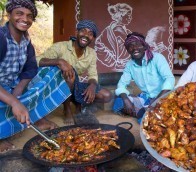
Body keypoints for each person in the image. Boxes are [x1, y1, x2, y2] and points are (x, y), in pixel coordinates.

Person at [0, 0, 71, 153]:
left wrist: (18, 92)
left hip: (12, 84)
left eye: (29, 16)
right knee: (11, 105)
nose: (25, 19)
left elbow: (30, 69)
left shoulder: (26, 42)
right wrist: (14, 102)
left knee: (53, 72)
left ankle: (37, 118)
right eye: (19, 13)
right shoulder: (1, 38)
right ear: (9, 14)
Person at [37, 20, 112, 125]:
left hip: (75, 85)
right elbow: (38, 60)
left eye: (90, 34)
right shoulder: (61, 47)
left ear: (93, 38)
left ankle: (80, 106)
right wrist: (60, 61)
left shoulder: (91, 53)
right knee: (70, 75)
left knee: (106, 95)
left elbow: (93, 75)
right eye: (83, 31)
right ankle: (67, 109)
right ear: (77, 32)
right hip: (58, 86)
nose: (86, 35)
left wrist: (92, 86)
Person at [112, 32, 175, 123]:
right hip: (145, 98)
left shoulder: (157, 58)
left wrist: (157, 99)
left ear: (145, 46)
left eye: (138, 45)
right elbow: (121, 84)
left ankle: (141, 113)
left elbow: (169, 79)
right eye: (130, 46)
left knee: (146, 120)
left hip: (162, 96)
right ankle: (143, 112)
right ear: (128, 50)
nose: (134, 48)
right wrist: (126, 100)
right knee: (118, 102)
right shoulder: (130, 65)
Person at [95, 3, 133, 71]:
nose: (130, 18)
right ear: (120, 16)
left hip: (127, 66)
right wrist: (113, 62)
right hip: (119, 68)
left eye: (130, 16)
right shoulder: (115, 30)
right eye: (128, 15)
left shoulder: (127, 32)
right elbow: (98, 46)